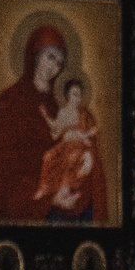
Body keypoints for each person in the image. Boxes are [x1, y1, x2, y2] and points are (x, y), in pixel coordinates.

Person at [0, 21, 70, 222]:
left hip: (52, 190)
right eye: (50, 57)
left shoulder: (56, 106)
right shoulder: (10, 100)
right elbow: (3, 162)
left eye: (58, 62)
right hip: (19, 194)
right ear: (35, 56)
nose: (53, 67)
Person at [35, 73, 106, 221]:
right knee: (47, 156)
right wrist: (46, 116)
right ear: (67, 94)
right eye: (74, 94)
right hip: (64, 145)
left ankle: (65, 190)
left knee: (73, 158)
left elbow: (93, 130)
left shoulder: (84, 113)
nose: (77, 97)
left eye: (79, 95)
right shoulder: (63, 112)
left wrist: (88, 134)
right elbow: (55, 133)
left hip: (79, 147)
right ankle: (44, 188)